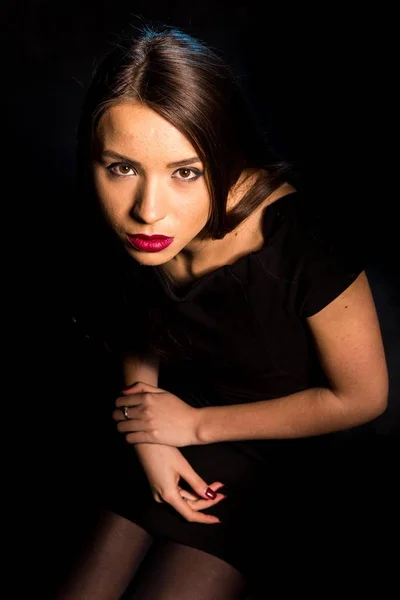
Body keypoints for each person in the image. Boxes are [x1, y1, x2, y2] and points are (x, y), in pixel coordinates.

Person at [56, 22, 389, 600]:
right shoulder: (119, 214)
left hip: (277, 450)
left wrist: (194, 425)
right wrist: (150, 437)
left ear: (224, 155)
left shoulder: (302, 243)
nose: (147, 211)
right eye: (122, 168)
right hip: (167, 422)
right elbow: (137, 320)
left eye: (185, 172)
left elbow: (363, 397)